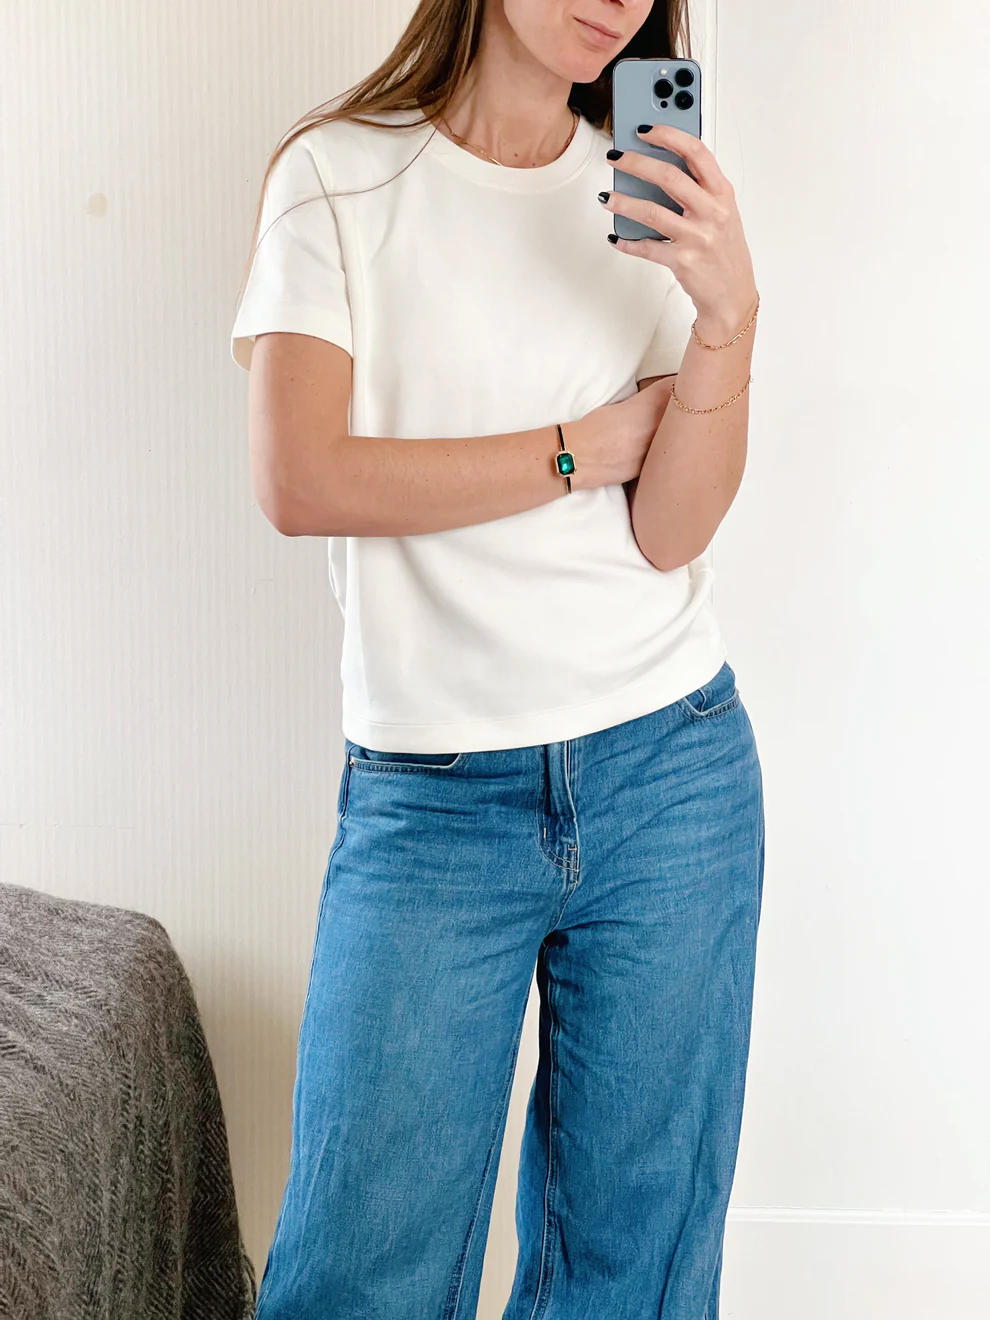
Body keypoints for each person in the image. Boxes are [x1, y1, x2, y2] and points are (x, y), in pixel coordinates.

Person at [230, 1, 764, 1316]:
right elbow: (302, 479)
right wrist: (578, 447)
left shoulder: (645, 189)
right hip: (433, 799)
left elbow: (669, 532)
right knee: (362, 1272)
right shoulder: (339, 175)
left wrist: (727, 320)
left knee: (632, 1271)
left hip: (671, 771)